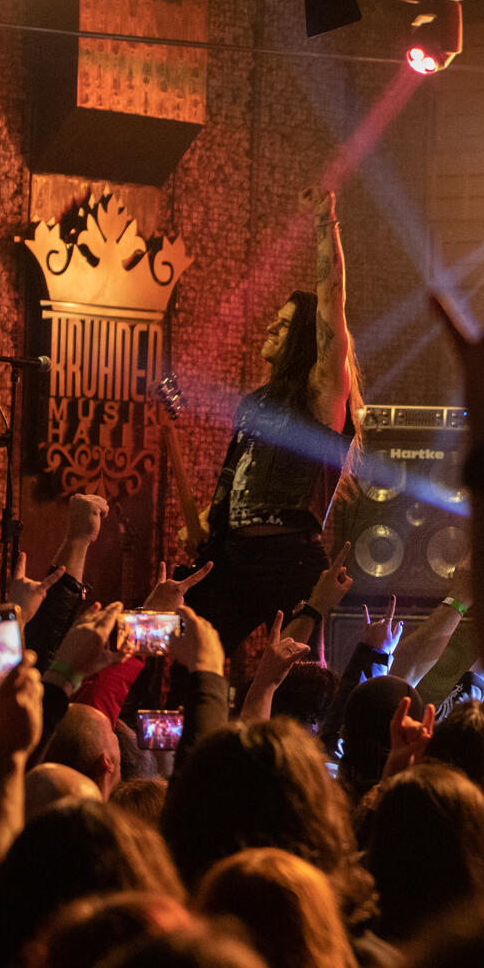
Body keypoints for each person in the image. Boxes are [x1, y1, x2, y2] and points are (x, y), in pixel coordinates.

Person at [186, 187, 363, 665]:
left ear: (306, 342)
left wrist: (326, 226)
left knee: (295, 674)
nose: (270, 328)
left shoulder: (321, 392)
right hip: (233, 559)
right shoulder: (255, 403)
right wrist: (210, 518)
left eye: (283, 325)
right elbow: (236, 476)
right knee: (187, 660)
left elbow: (332, 304)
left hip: (289, 560)